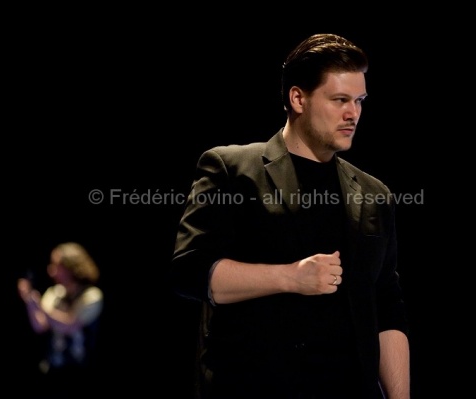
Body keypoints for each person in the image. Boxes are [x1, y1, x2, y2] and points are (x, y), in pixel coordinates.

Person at [170, 33, 410, 399]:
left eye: (359, 100)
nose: (354, 113)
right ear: (298, 98)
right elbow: (189, 272)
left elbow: (387, 306)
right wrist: (290, 277)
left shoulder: (374, 193)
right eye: (340, 100)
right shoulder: (233, 168)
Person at [17, 241, 104, 398]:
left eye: (56, 265)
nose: (51, 270)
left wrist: (41, 307)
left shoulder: (91, 296)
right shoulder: (55, 293)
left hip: (80, 373)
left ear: (71, 267)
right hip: (54, 369)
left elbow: (70, 324)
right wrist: (30, 301)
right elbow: (40, 326)